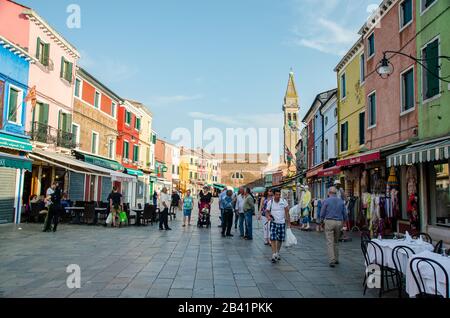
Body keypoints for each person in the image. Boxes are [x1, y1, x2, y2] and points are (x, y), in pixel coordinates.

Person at [320, 187, 348, 268]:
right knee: (336, 241)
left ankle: (332, 260)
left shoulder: (326, 201)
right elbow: (345, 213)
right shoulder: (341, 201)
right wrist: (345, 222)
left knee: (330, 241)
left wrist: (321, 221)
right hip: (339, 222)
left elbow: (322, 212)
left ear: (329, 193)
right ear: (335, 193)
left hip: (329, 221)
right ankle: (336, 259)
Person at [266, 188, 290, 263]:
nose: (278, 196)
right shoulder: (271, 202)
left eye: (279, 194)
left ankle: (277, 252)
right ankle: (273, 254)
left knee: (280, 239)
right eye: (276, 194)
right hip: (273, 222)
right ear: (273, 195)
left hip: (282, 223)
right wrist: (268, 217)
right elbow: (267, 211)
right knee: (273, 238)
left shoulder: (284, 201)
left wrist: (289, 223)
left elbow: (287, 212)